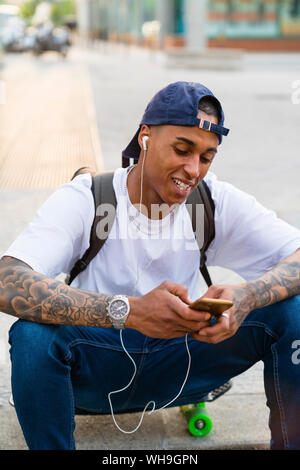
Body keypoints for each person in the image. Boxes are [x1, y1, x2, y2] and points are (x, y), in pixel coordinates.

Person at [0, 81, 300, 450]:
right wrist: (129, 311)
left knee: (293, 310)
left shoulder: (213, 201)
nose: (193, 169)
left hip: (185, 362)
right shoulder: (89, 198)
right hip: (97, 370)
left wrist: (248, 296)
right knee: (33, 336)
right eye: (182, 149)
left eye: (206, 157)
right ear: (145, 137)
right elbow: (7, 279)